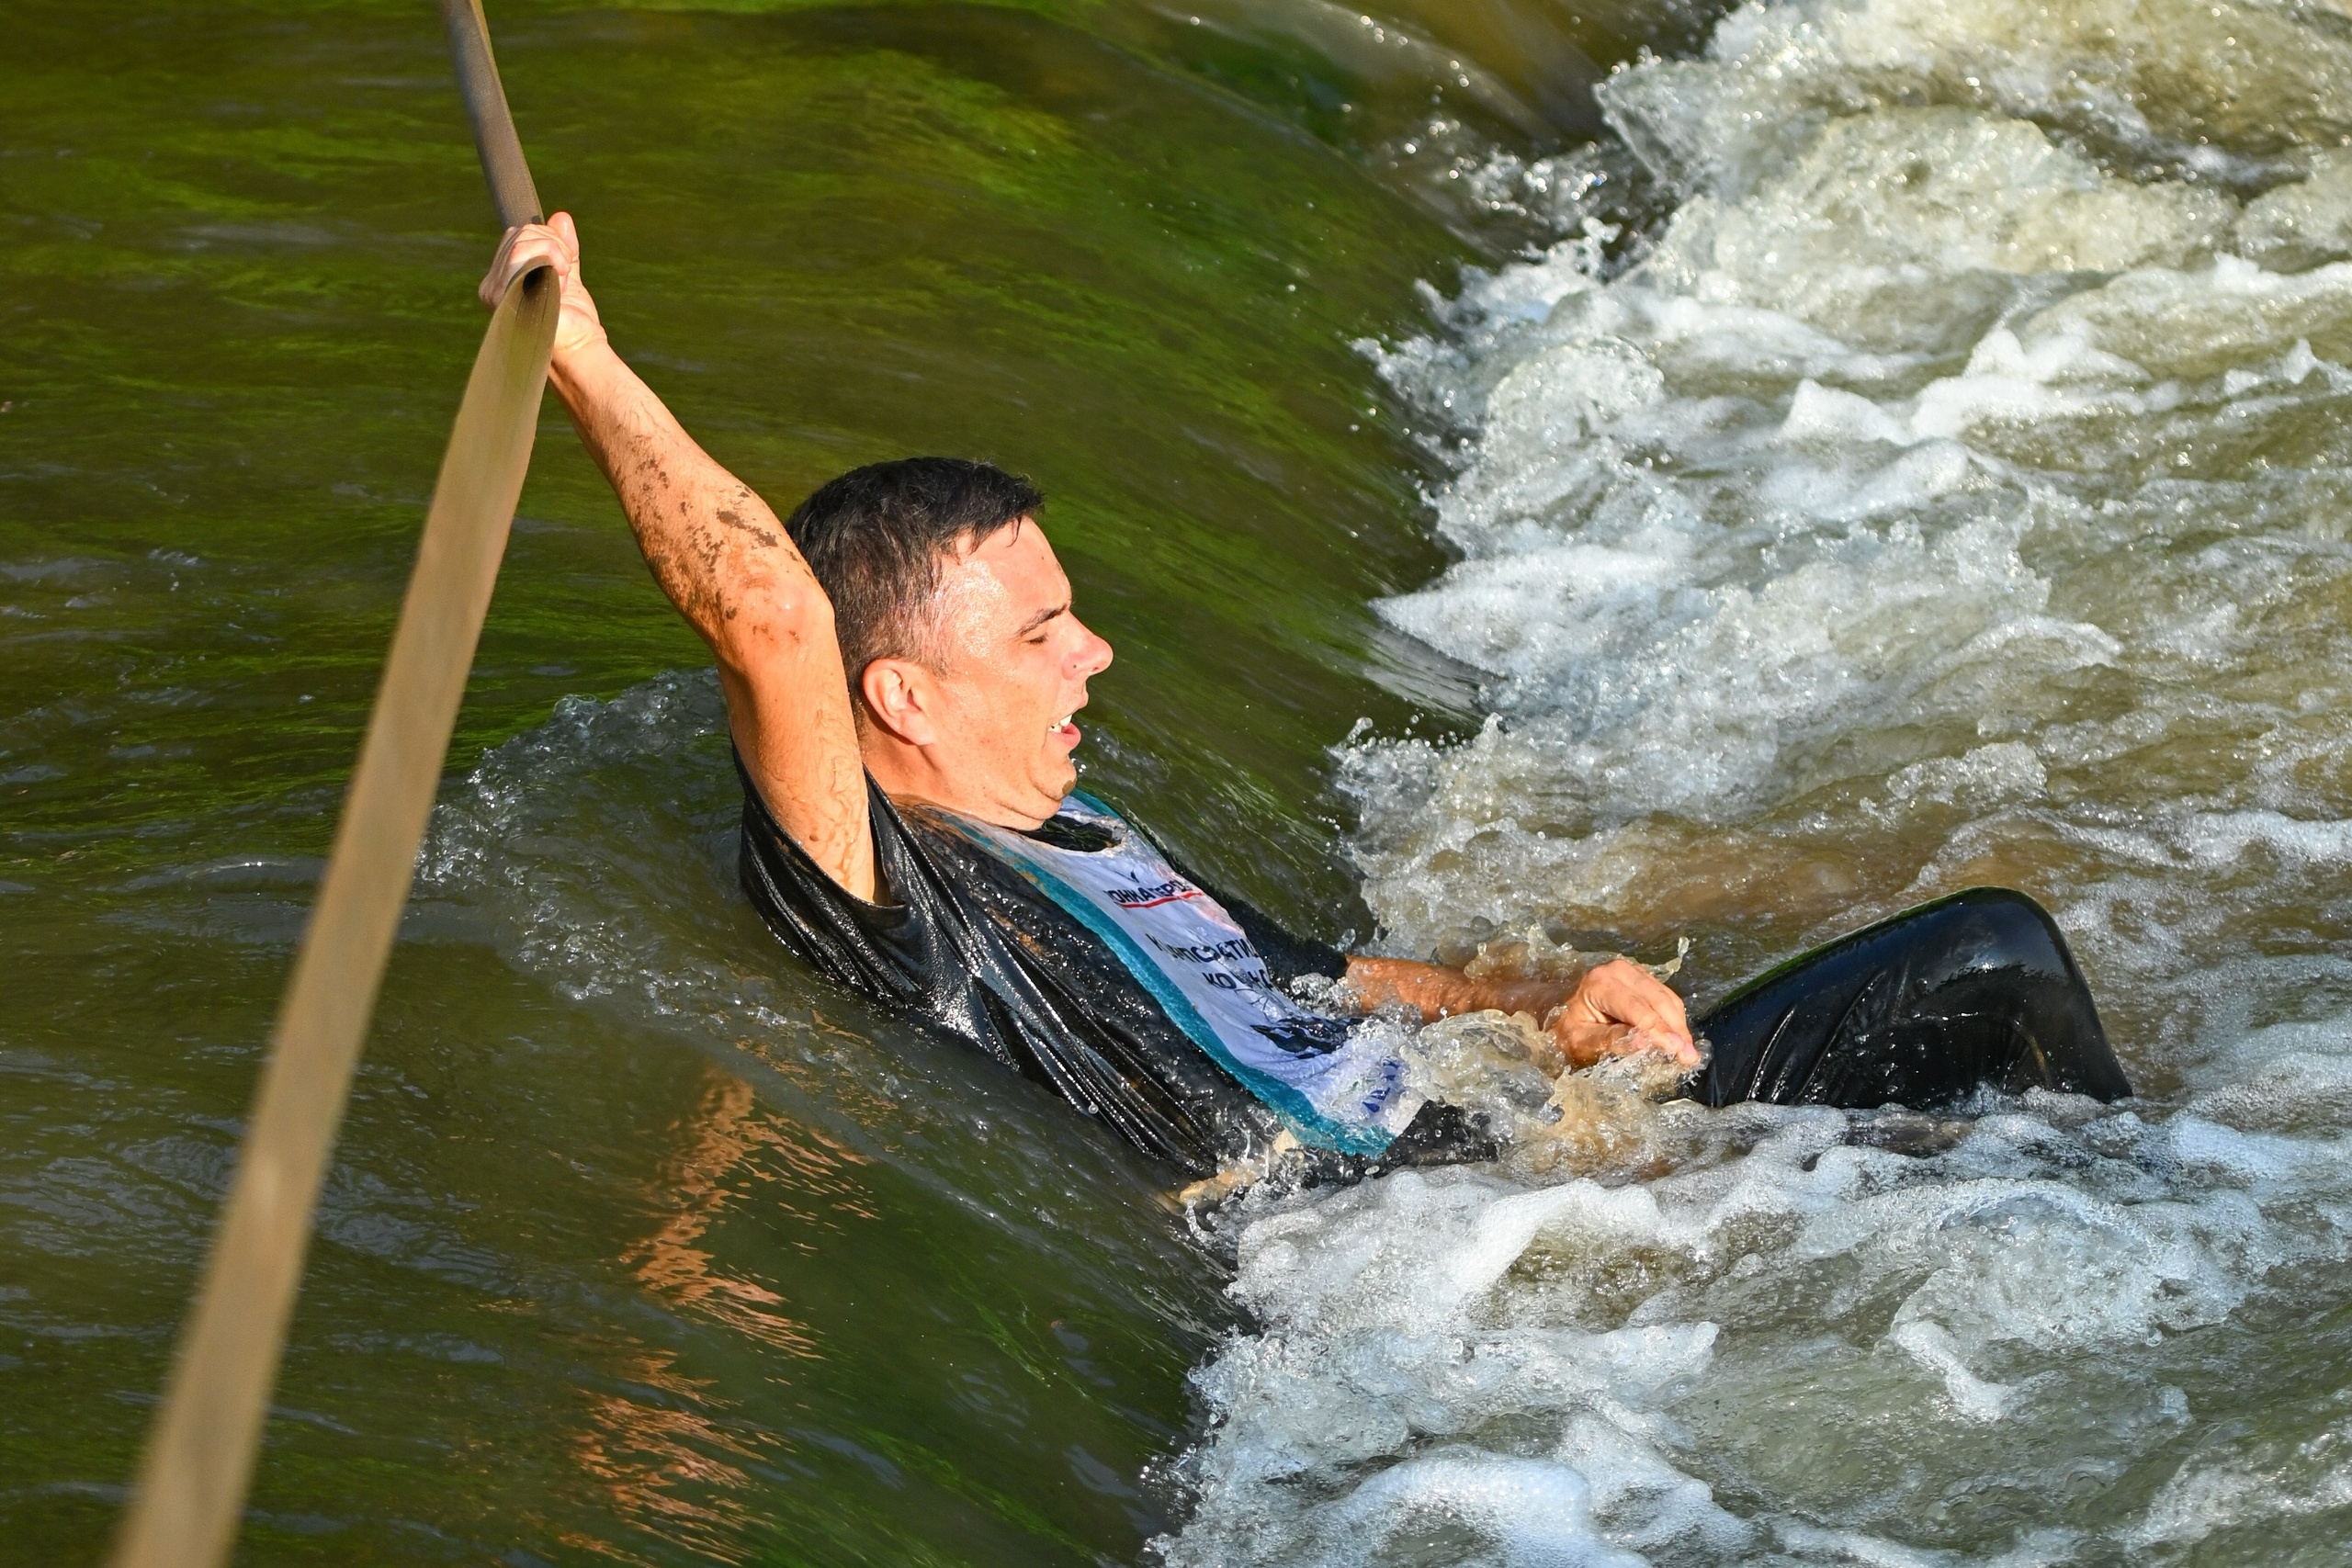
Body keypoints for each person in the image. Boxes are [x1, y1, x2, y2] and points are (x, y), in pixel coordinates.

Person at [481, 216, 2132, 1181]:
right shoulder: (896, 888)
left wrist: (1538, 1000)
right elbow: (766, 607)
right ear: (897, 697)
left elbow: (1334, 979)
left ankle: (2131, 1226)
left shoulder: (1090, 838)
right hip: (1412, 1237)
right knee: (1989, 958)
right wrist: (579, 350)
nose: (1096, 654)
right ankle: (2160, 1215)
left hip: (1506, 1158)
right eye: (1043, 632)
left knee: (1977, 1032)